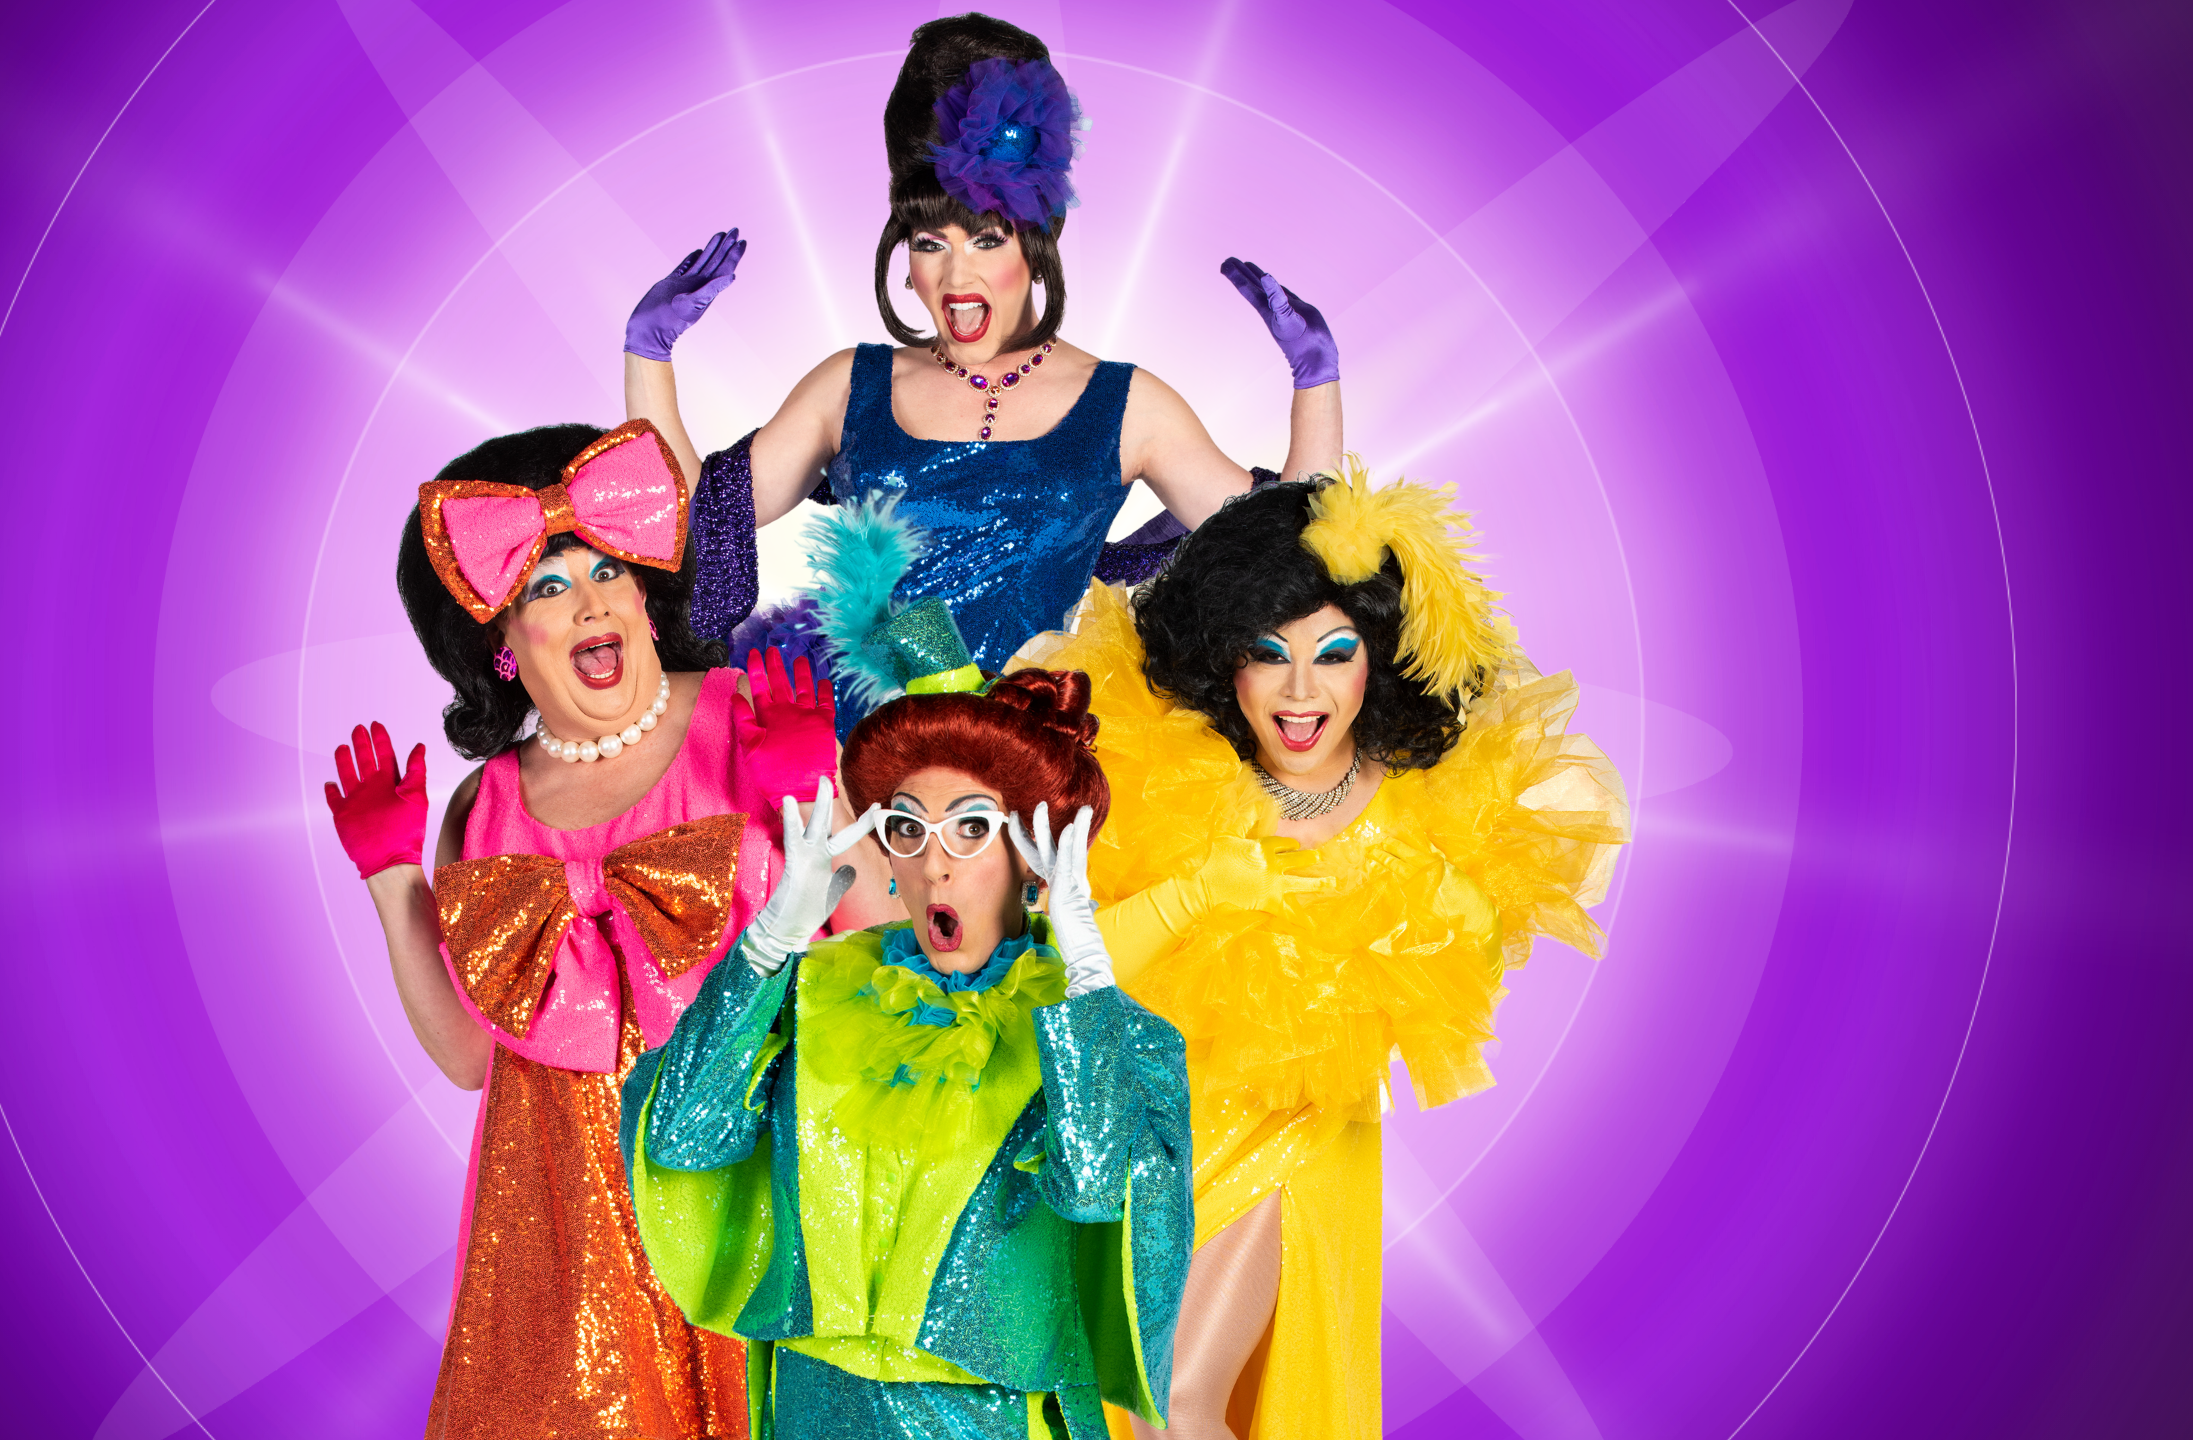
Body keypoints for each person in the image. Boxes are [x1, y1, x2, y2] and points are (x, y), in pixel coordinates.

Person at [1014, 464, 1632, 1440]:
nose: (1300, 693)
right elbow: (1068, 965)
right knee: (1118, 1397)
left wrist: (1432, 910)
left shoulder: (1432, 817)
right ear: (1226, 659)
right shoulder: (1159, 772)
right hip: (1143, 1128)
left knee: (1178, 1393)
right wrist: (1193, 892)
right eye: (1269, 653)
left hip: (1292, 1134)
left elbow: (1453, 961)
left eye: (1333, 654)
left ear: (1375, 664)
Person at [320, 419, 851, 1439]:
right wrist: (393, 881)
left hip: (753, 1192)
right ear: (500, 644)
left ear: (648, 594)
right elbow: (474, 1057)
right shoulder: (485, 809)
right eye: (546, 588)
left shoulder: (758, 717)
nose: (590, 599)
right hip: (564, 1228)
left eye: (607, 567)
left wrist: (817, 806)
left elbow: (874, 961)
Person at [617, 503, 1194, 1439]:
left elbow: (1095, 1186)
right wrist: (767, 946)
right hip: (816, 1408)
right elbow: (682, 1137)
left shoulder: (1118, 1037)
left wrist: (1080, 968)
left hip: (992, 1421)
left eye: (973, 829)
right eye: (906, 830)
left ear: (1038, 853)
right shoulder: (814, 992)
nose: (934, 864)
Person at [619, 13, 1346, 699]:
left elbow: (1288, 551)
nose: (957, 277)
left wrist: (1316, 379)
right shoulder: (851, 387)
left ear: (1036, 249)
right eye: (932, 244)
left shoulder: (1129, 405)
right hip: (862, 753)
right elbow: (690, 519)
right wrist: (648, 353)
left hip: (1037, 752)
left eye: (987, 240)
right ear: (906, 258)